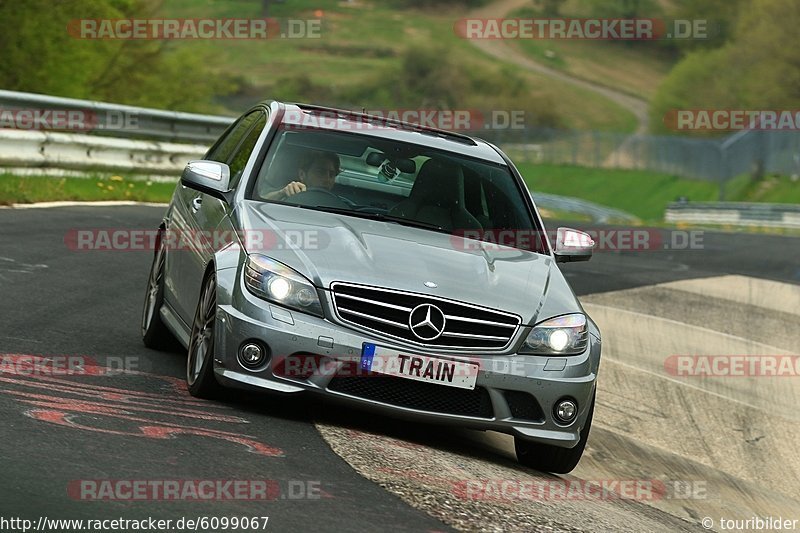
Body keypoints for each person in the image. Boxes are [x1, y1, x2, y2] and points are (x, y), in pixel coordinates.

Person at [262, 149, 340, 201]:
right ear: (302, 174)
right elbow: (258, 201)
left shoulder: (342, 204)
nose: (327, 179)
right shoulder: (289, 193)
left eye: (332, 174)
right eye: (320, 172)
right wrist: (282, 193)